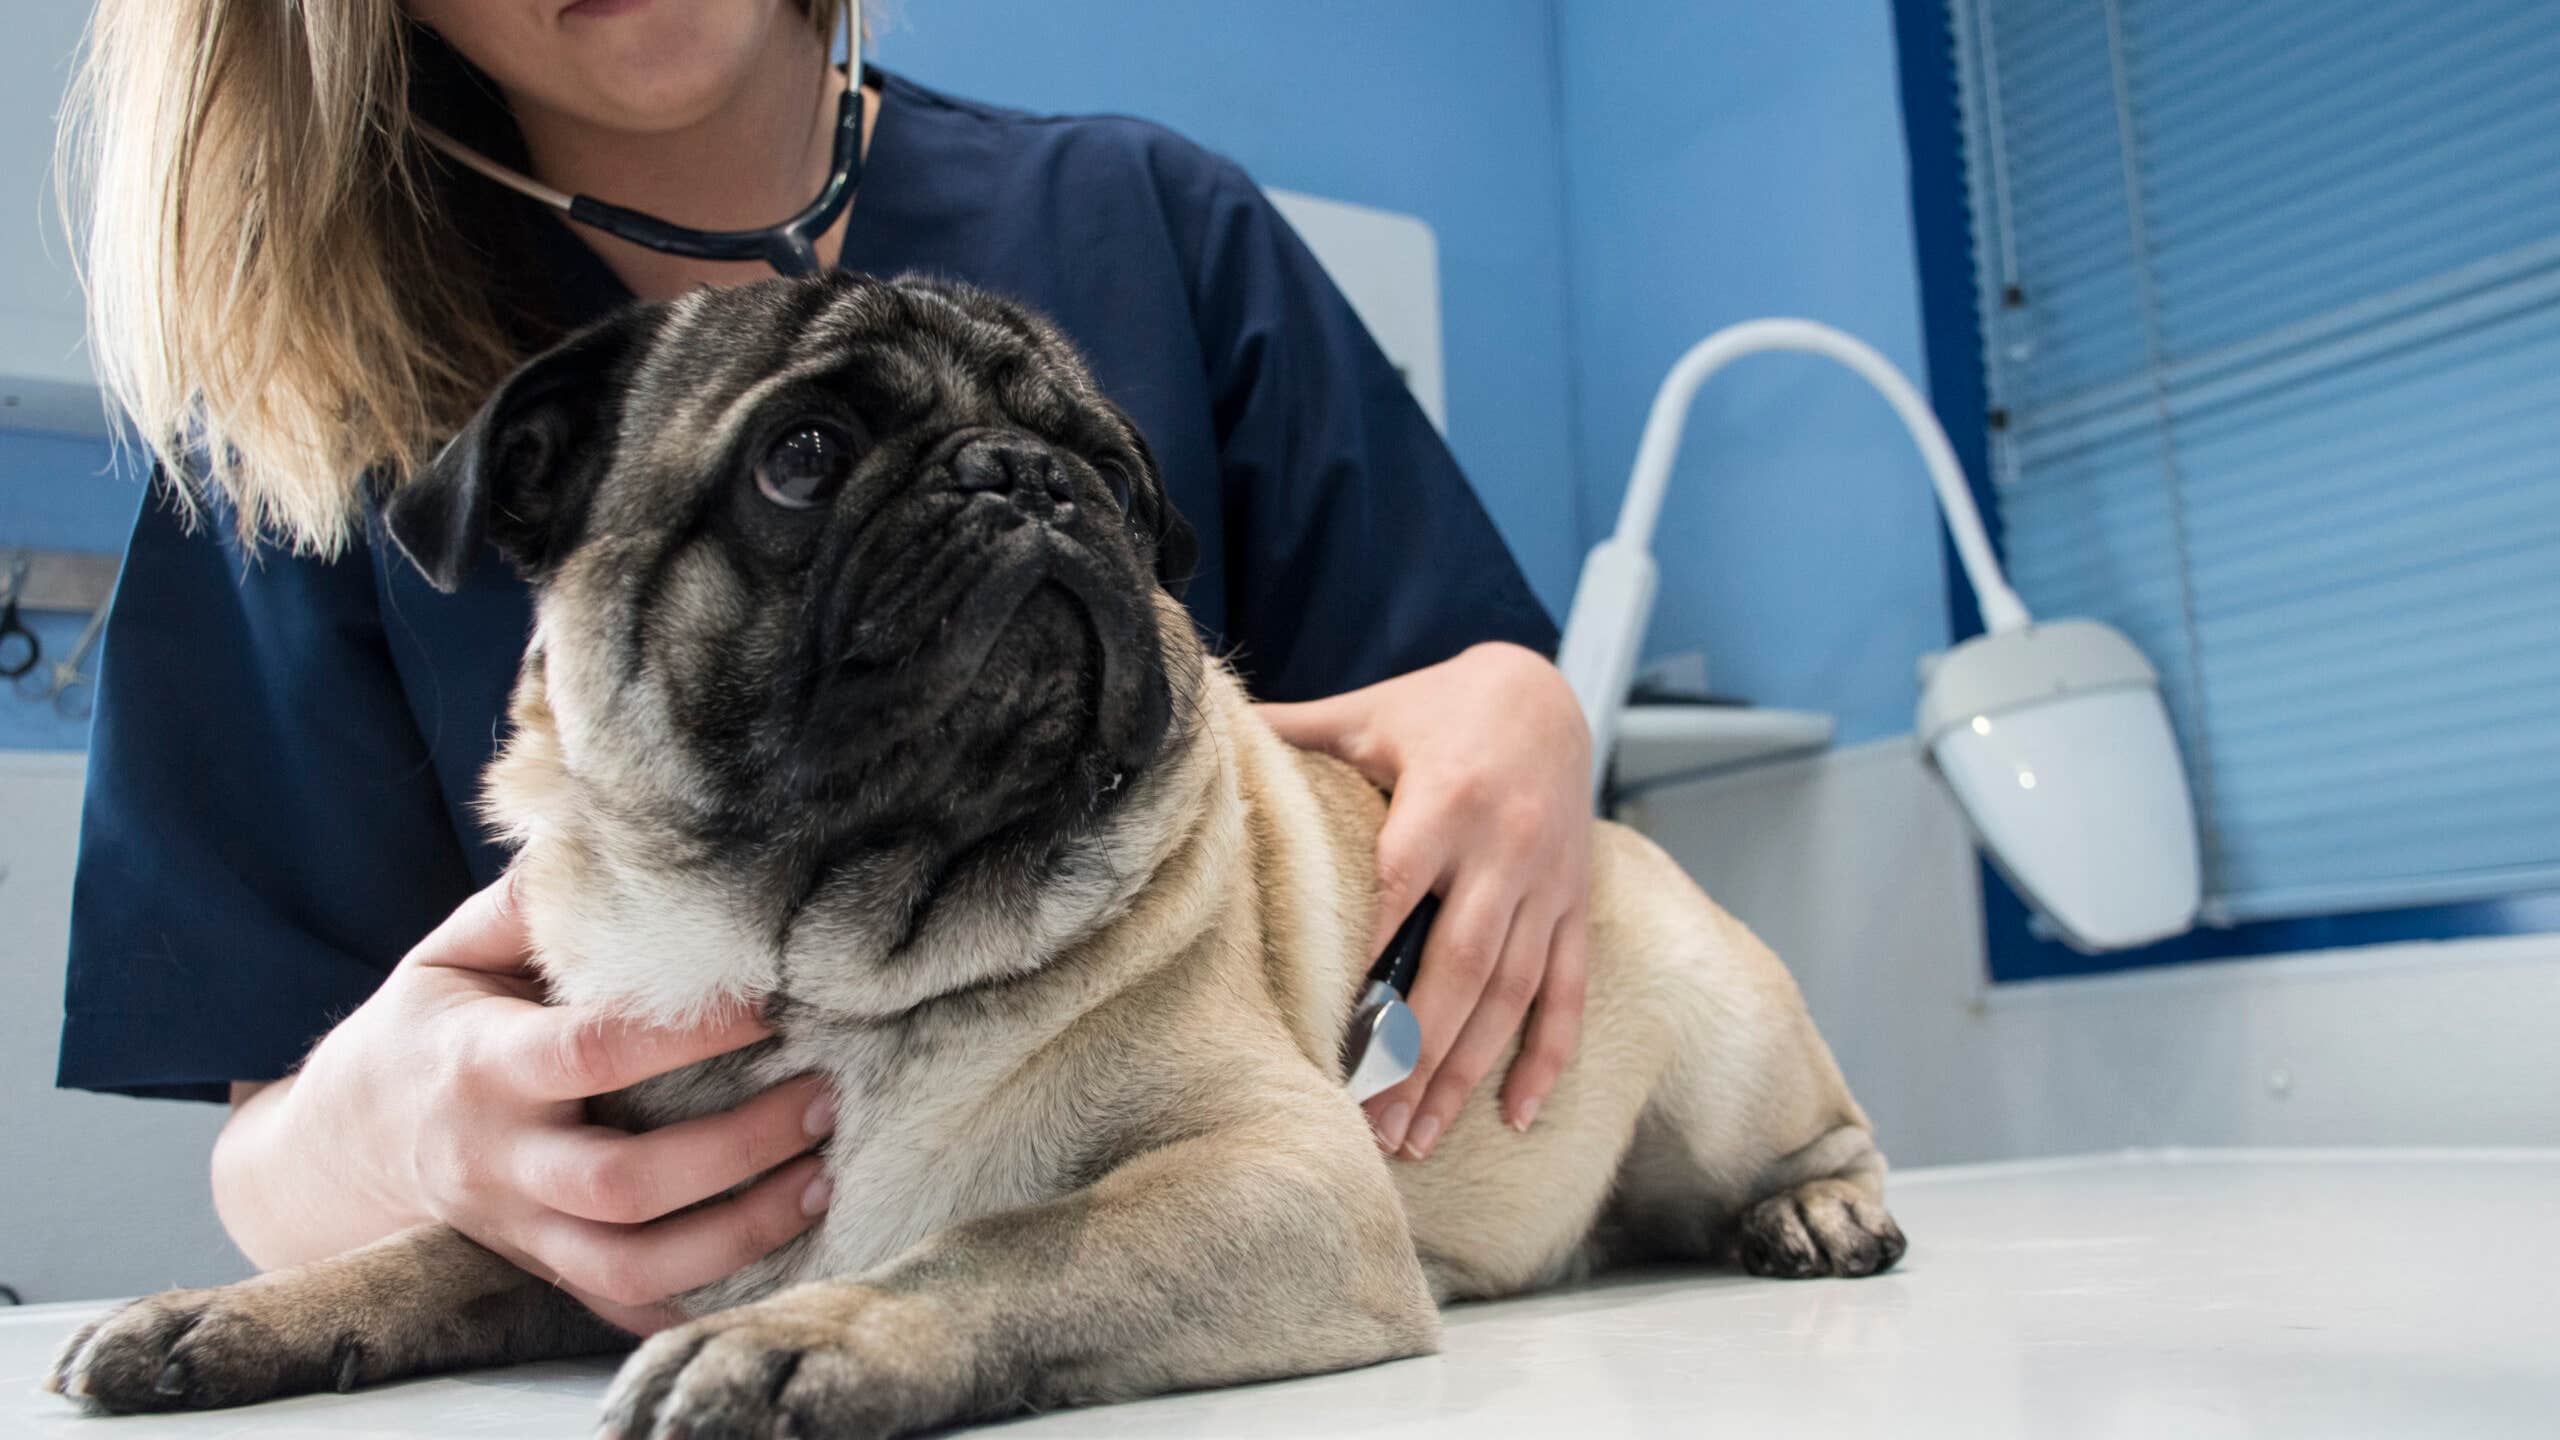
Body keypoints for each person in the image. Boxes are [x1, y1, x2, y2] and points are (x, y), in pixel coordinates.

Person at [58, 0, 1591, 1335]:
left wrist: (1523, 706)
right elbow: (272, 1148)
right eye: (805, 461)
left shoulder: (1154, 223)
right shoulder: (293, 424)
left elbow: (1429, 776)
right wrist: (374, 1142)